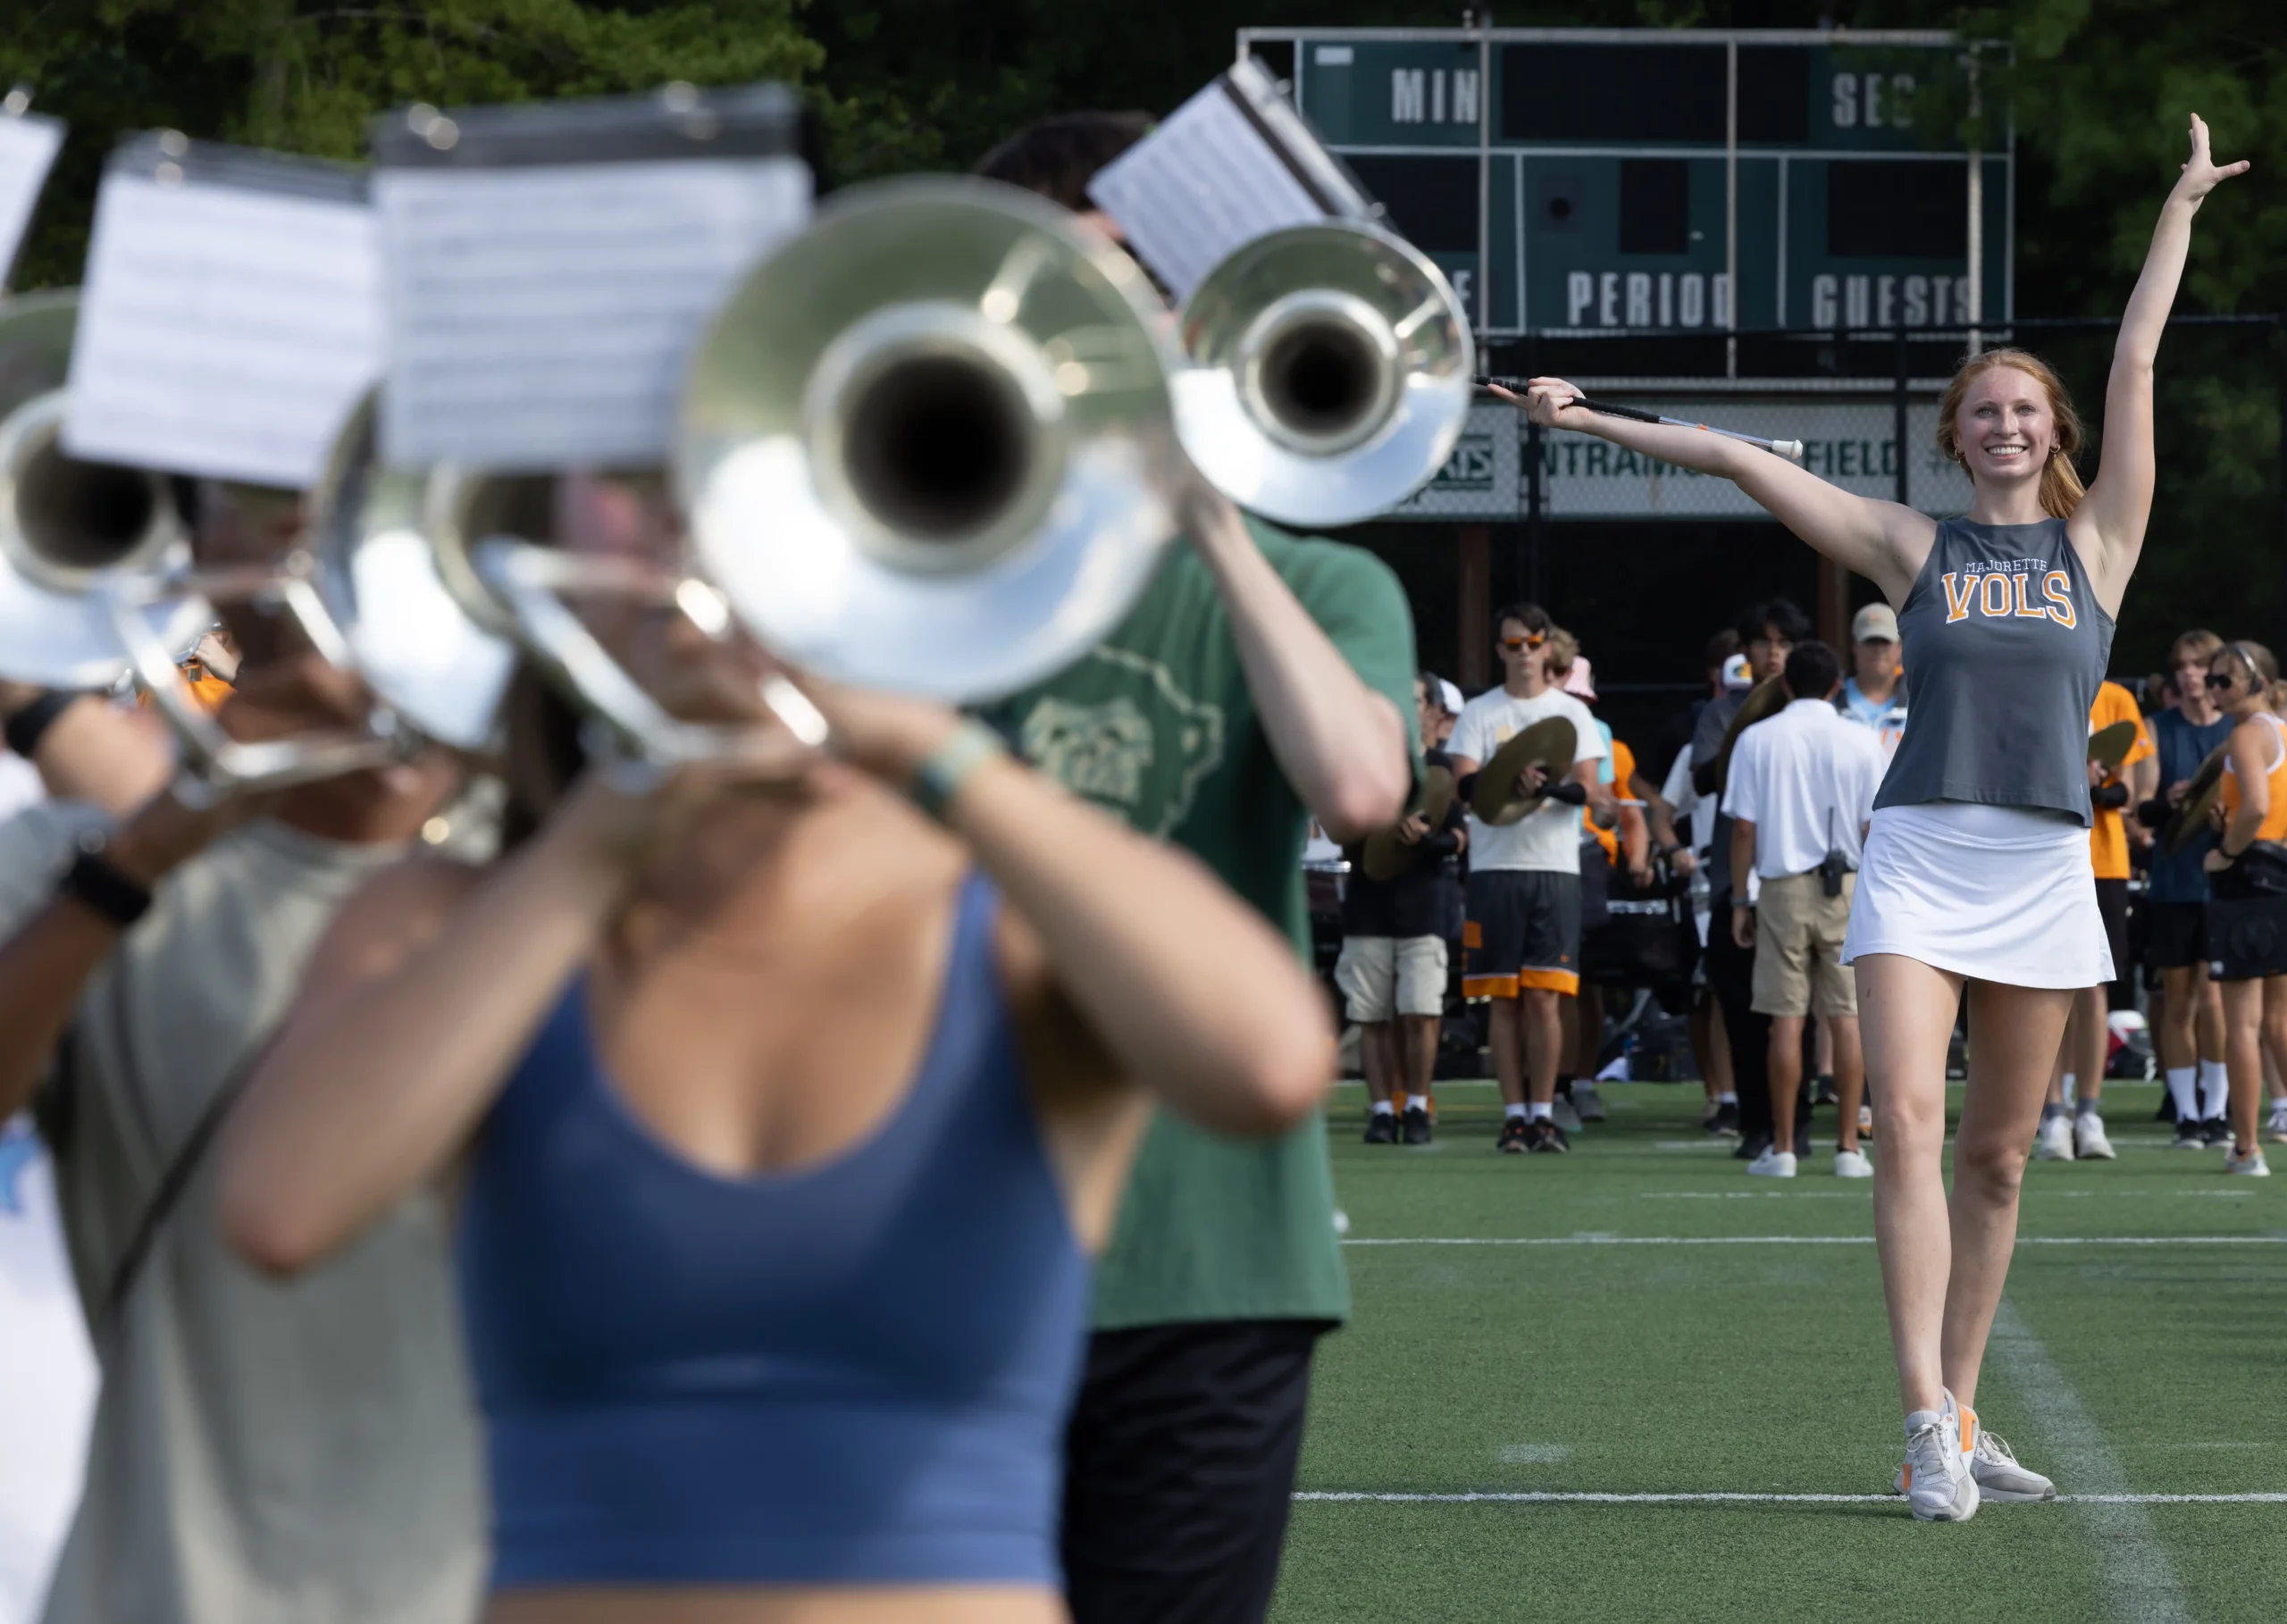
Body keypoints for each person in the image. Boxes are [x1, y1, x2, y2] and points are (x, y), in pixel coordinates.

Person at [217, 477, 1339, 1624]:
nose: (700, 525)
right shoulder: (449, 923)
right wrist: (606, 830)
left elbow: (1265, 1064)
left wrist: (923, 741)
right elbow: (278, 1209)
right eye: (637, 478)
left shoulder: (1006, 926)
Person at [1503, 113, 2244, 1519]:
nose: (2007, 422)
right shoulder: (1915, 544)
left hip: (2040, 866)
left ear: (2053, 432)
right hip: (1918, 853)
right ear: (1957, 436)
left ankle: (1962, 1410)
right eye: (1984, 409)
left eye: (2027, 407)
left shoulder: (2104, 545)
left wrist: (2182, 206)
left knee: (1999, 1154)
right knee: (1902, 1119)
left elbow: (2141, 351)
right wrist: (1585, 413)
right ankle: (1919, 1419)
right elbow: (1736, 460)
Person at [974, 112, 1420, 1624]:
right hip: (936, 1235)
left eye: (1118, 286)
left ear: (1191, 318)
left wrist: (1211, 518)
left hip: (1212, 1255)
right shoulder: (893, 567)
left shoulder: (1321, 579)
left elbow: (1359, 786)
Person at [0, 480, 485, 1624]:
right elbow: (145, 726)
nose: (299, 518)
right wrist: (140, 806)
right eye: (251, 492)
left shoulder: (545, 867)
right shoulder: (198, 655)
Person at [1448, 605, 1610, 1153]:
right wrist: (1505, 776)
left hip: (1554, 866)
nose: (1522, 652)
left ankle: (1544, 1112)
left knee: (1545, 996)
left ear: (1547, 647)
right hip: (1494, 868)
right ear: (1499, 649)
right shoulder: (1478, 712)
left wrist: (1543, 786)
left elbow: (1591, 790)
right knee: (1503, 999)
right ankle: (1513, 1114)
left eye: (1532, 642)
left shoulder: (1571, 713)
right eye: (1512, 644)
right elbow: (1463, 784)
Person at [1723, 640, 1883, 1178]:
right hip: (1848, 884)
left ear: (1786, 682)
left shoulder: (1756, 738)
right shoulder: (1861, 739)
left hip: (1781, 884)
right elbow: (1873, 826)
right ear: (1837, 685)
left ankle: (1786, 1147)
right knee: (1848, 1017)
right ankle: (1848, 1149)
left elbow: (1743, 828)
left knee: (1785, 1019)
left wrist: (1739, 898)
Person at [1695, 600, 1812, 1163]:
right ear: (1743, 652)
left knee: (1803, 1014)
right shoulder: (1723, 713)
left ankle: (1801, 1122)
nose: (1773, 654)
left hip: (1799, 879)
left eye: (1784, 645)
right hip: (1735, 882)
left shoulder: (1819, 714)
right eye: (1763, 644)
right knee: (1741, 1009)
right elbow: (1703, 777)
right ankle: (1755, 1122)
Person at [2033, 676, 2157, 1160]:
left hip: (2102, 861)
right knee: (2044, 983)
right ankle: (2053, 1114)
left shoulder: (2117, 699)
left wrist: (2098, 784)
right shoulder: (2035, 688)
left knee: (2092, 985)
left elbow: (2132, 789)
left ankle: (2088, 1111)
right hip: (2042, 854)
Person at [1340, 675, 1465, 1146]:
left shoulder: (1440, 768)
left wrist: (1428, 840)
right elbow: (1340, 828)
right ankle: (1378, 1109)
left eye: (1415, 701)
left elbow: (1459, 836)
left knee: (1421, 1011)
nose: (1407, 709)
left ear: (1432, 710)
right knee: (1371, 1015)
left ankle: (1415, 1105)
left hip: (1424, 906)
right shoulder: (1364, 763)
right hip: (1368, 904)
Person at [2141, 632, 2234, 1145]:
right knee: (2177, 1003)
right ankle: (2185, 1113)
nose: (2189, 674)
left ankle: (2217, 1110)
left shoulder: (2237, 731)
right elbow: (2143, 803)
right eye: (2182, 666)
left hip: (2222, 881)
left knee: (2215, 1002)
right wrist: (2173, 798)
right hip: (2173, 877)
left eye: (2199, 665)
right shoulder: (2157, 728)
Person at [2199, 640, 2287, 1176]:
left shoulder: (2246, 734)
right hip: (2279, 874)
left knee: (2243, 1022)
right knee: (2277, 1019)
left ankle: (2246, 1147)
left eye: (2223, 680)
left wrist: (2225, 851)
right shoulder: (2278, 729)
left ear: (2256, 682)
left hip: (2250, 877)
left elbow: (2255, 806)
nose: (2214, 689)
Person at [1837, 603, 1908, 758]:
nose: (1878, 650)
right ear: (1854, 646)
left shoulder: (1918, 704)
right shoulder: (1832, 701)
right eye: (1871, 641)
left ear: (1899, 647)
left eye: (1885, 642)